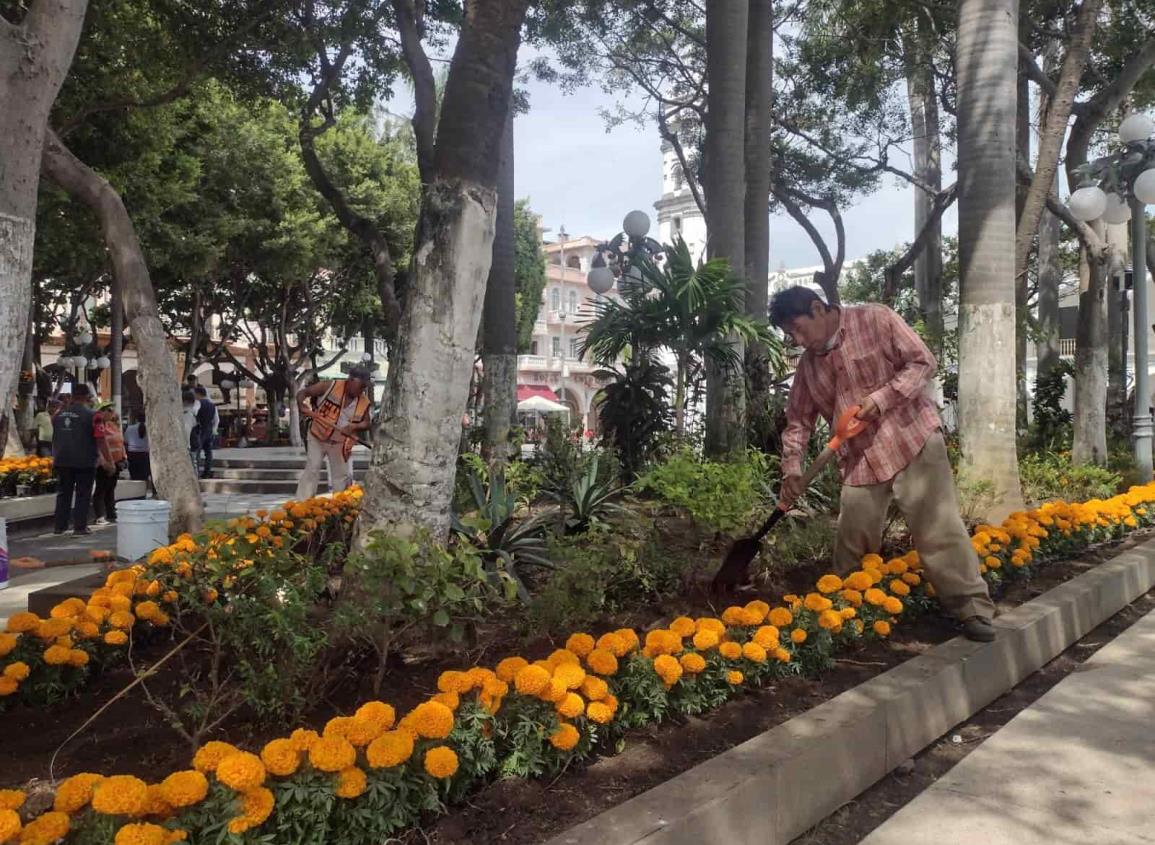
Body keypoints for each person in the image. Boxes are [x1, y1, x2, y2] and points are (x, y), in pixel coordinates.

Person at [770, 286, 996, 643]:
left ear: (818, 308)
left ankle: (972, 609)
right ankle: (845, 616)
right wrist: (792, 469)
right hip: (861, 459)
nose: (797, 340)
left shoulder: (875, 318)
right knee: (852, 539)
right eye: (789, 335)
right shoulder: (808, 368)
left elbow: (923, 362)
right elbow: (798, 421)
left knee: (938, 530)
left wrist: (881, 398)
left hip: (912, 440)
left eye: (798, 329)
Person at [294, 367, 372, 500]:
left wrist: (354, 426)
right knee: (312, 469)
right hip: (317, 436)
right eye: (361, 385)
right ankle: (303, 503)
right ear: (351, 380)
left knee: (341, 476)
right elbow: (303, 393)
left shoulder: (364, 402)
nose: (362, 389)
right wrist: (301, 406)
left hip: (339, 442)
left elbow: (366, 423)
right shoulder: (330, 386)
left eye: (365, 386)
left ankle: (340, 505)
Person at [51, 384, 106, 535]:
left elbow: (53, 426)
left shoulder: (58, 415)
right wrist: (105, 459)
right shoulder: (95, 415)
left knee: (63, 493)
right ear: (87, 397)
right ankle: (80, 527)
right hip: (85, 460)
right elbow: (100, 438)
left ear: (72, 395)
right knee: (83, 494)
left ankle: (59, 526)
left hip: (61, 460)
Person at [92, 404, 127, 525]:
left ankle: (111, 512)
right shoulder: (99, 426)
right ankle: (99, 515)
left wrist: (123, 457)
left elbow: (120, 442)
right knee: (101, 488)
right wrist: (104, 461)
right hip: (104, 463)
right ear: (102, 411)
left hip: (116, 461)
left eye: (112, 411)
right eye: (109, 410)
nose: (112, 413)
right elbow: (99, 445)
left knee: (111, 488)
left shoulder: (112, 425)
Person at [193, 386, 218, 478]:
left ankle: (196, 472)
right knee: (208, 452)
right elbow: (216, 419)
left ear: (198, 394)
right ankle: (207, 471)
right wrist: (214, 430)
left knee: (197, 452)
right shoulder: (212, 405)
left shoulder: (198, 403)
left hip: (200, 430)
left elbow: (194, 414)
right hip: (209, 430)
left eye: (195, 394)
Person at [125, 409, 151, 487]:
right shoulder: (150, 428)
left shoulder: (130, 428)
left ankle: (134, 492)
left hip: (132, 455)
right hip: (145, 455)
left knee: (134, 476)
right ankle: (143, 492)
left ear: (136, 419)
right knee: (144, 476)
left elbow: (125, 441)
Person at [181, 388, 200, 470]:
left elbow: (186, 430)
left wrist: (186, 445)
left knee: (191, 466)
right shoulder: (192, 413)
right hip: (193, 444)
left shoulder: (187, 414)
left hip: (188, 446)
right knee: (193, 465)